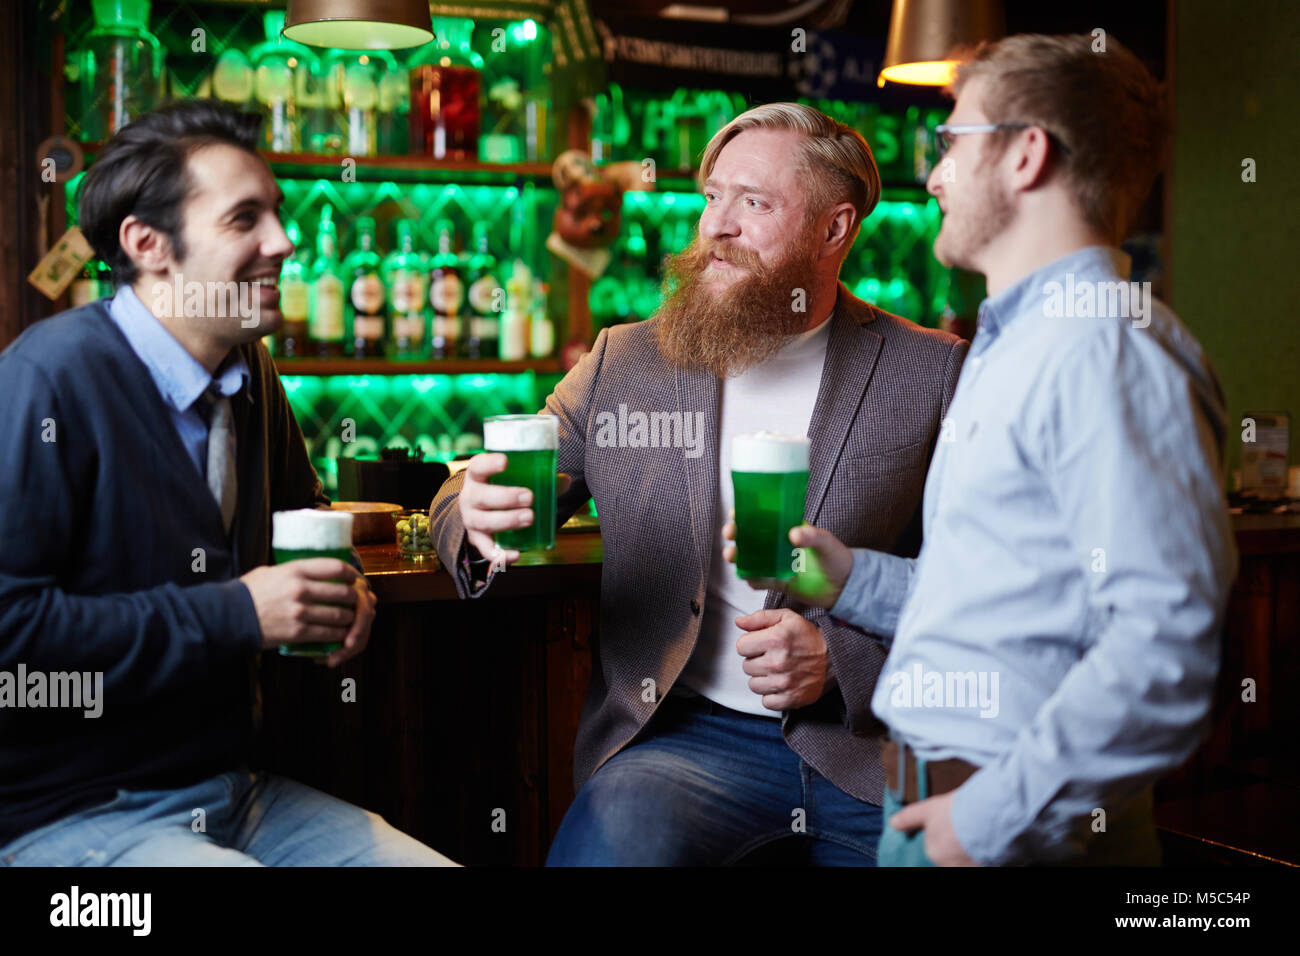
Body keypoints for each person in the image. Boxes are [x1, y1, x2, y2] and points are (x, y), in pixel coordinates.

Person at [729, 34, 1237, 865]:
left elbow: (1166, 648)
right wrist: (852, 580)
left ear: (1025, 155)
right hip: (940, 804)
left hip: (1005, 829)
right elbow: (1021, 602)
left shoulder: (1100, 351)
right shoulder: (1021, 344)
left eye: (952, 144)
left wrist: (989, 816)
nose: (932, 177)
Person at [429, 103, 968, 865]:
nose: (717, 224)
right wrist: (472, 515)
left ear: (834, 229)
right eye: (714, 195)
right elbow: (468, 492)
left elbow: (980, 593)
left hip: (865, 749)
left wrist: (840, 663)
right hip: (684, 738)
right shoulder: (627, 362)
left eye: (755, 202)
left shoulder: (931, 371)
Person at [0, 101, 454, 866]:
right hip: (67, 815)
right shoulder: (47, 379)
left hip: (236, 793)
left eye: (276, 214)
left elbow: (302, 520)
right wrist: (239, 612)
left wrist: (342, 597)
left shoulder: (250, 377)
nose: (285, 241)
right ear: (148, 244)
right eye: (246, 219)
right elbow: (12, 633)